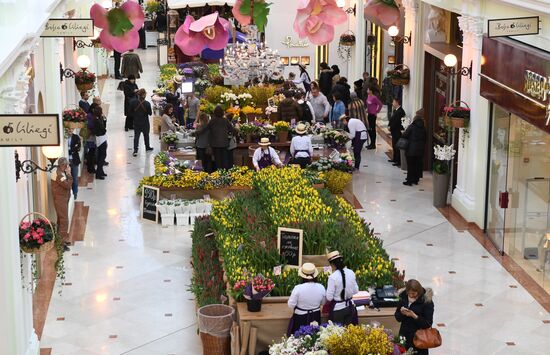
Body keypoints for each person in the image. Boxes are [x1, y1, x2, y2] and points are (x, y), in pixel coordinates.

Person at [394, 279, 434, 355]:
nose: (411, 295)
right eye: (409, 293)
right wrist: (402, 313)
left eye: (414, 293)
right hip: (404, 336)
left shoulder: (426, 301)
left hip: (419, 339)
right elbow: (397, 317)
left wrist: (414, 316)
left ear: (419, 291)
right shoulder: (403, 297)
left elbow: (428, 324)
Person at [287, 262, 326, 335]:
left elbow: (291, 305)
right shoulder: (321, 287)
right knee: (314, 337)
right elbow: (323, 302)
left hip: (300, 317)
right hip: (316, 315)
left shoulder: (298, 288)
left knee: (300, 339)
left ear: (302, 276)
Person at [326, 251, 359, 326]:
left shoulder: (332, 277)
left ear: (332, 264)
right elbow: (356, 290)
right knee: (349, 334)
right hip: (350, 307)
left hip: (338, 310)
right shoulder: (351, 272)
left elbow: (329, 297)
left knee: (337, 334)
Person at [52, 157, 73, 252]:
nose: (67, 167)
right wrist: (69, 174)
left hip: (63, 199)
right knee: (64, 220)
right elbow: (68, 185)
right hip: (60, 200)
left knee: (61, 220)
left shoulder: (60, 173)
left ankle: (60, 240)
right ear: (62, 165)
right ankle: (62, 243)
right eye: (66, 165)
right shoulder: (59, 175)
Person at [207, 105, 236, 171]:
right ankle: (224, 173)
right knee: (224, 160)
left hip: (215, 144)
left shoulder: (212, 121)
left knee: (217, 160)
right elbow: (232, 129)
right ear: (222, 112)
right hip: (224, 144)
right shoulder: (225, 120)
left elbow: (207, 130)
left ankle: (218, 173)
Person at [402, 115, 426, 186]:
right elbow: (425, 139)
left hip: (411, 150)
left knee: (410, 165)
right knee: (417, 165)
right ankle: (415, 180)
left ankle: (409, 181)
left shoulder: (411, 127)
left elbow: (405, 135)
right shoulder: (424, 128)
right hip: (420, 150)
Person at [130, 89, 154, 157]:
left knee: (136, 136)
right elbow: (150, 113)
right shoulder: (147, 103)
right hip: (145, 122)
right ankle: (147, 147)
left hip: (136, 122)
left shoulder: (133, 102)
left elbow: (130, 112)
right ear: (143, 95)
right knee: (146, 135)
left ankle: (135, 150)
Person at [91, 105, 108, 179]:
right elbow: (104, 129)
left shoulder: (96, 119)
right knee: (102, 156)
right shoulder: (97, 120)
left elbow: (103, 127)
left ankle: (101, 171)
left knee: (102, 155)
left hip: (100, 138)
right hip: (101, 139)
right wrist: (103, 121)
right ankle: (98, 173)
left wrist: (104, 120)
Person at [388, 98, 406, 166]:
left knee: (397, 145)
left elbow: (396, 122)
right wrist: (389, 125)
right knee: (394, 145)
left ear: (397, 102)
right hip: (394, 131)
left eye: (393, 102)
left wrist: (390, 127)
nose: (392, 103)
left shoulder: (400, 111)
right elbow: (392, 119)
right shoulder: (396, 110)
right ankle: (395, 158)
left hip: (397, 131)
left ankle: (398, 161)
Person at [67, 128, 81, 199]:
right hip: (67, 161)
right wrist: (72, 148)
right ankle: (69, 193)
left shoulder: (76, 137)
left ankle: (75, 193)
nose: (70, 130)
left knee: (75, 178)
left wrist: (71, 149)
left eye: (71, 129)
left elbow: (78, 147)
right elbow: (73, 148)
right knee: (68, 178)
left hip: (74, 161)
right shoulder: (65, 138)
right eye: (69, 129)